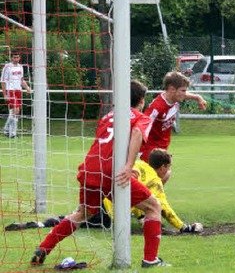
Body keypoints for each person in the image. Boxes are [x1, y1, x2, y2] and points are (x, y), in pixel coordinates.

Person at [31, 80, 170, 268]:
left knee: (83, 212)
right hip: (112, 172)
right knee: (153, 206)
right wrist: (129, 165)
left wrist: (130, 166)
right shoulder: (140, 117)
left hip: (90, 168)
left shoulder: (107, 117)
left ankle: (43, 248)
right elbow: (137, 132)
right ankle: (150, 260)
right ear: (142, 100)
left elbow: (108, 145)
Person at [8, 148, 204, 234]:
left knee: (79, 214)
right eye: (168, 168)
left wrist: (141, 216)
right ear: (162, 167)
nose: (168, 172)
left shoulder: (137, 164)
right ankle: (44, 226)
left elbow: (136, 197)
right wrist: (184, 227)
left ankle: (41, 223)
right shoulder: (155, 180)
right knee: (80, 221)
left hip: (101, 192)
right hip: (108, 213)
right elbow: (164, 209)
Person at [139, 71, 206, 184]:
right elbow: (142, 126)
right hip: (150, 150)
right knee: (156, 179)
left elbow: (186, 95)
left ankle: (147, 198)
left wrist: (197, 97)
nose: (185, 94)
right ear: (172, 89)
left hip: (162, 148)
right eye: (183, 91)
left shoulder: (173, 99)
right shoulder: (157, 107)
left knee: (159, 179)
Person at [1, 51, 31, 138]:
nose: (16, 59)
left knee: (16, 113)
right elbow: (2, 81)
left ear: (19, 58)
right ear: (12, 58)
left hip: (18, 91)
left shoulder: (20, 67)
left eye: (17, 57)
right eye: (14, 57)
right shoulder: (7, 67)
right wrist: (5, 94)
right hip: (10, 90)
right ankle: (9, 131)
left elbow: (21, 80)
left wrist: (27, 87)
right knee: (15, 111)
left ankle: (10, 132)